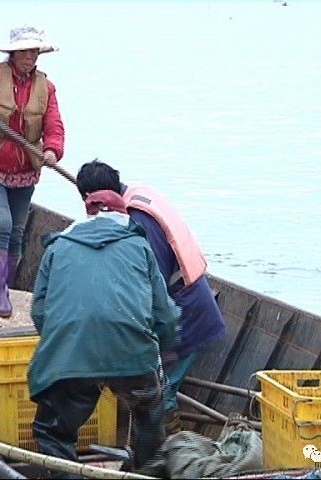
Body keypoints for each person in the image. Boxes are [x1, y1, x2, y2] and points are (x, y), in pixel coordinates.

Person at [27, 190, 181, 477]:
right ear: (122, 217)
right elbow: (166, 315)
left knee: (53, 433)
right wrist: (160, 351)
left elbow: (39, 311)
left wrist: (62, 345)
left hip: (72, 356)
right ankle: (145, 471)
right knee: (149, 412)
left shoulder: (56, 248)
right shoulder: (140, 247)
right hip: (133, 355)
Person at [76, 160, 227, 435]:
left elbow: (150, 286)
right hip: (186, 301)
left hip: (186, 314)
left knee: (161, 394)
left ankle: (167, 457)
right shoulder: (135, 193)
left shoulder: (139, 220)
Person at [0, 24, 65, 317]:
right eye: (25, 51)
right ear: (14, 54)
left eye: (34, 51)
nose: (30, 57)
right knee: (2, 224)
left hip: (24, 171)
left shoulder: (46, 87)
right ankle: (0, 294)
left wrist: (52, 150)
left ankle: (6, 282)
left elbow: (54, 126)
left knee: (17, 233)